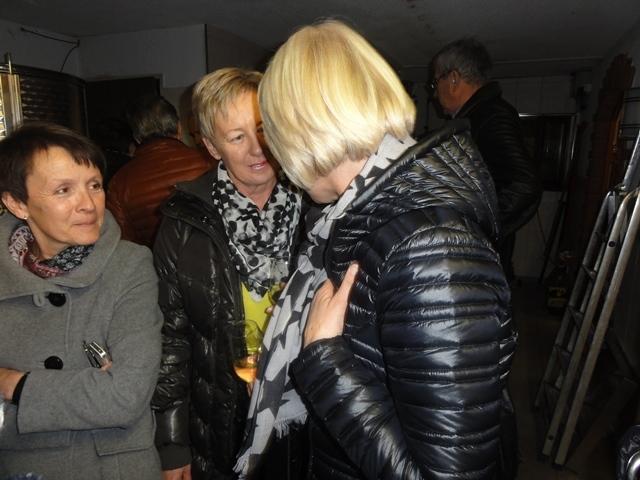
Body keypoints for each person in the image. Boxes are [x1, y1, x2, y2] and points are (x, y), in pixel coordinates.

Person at [236, 20, 517, 480]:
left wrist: (322, 358)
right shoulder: (351, 218)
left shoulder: (429, 250)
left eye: (271, 131)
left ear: (301, 130)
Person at [151, 67, 304, 480]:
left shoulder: (317, 205)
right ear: (212, 146)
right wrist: (172, 444)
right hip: (221, 422)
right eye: (237, 137)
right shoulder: (183, 222)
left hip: (308, 414)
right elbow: (170, 339)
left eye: (263, 130)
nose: (258, 149)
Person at [0, 122, 162, 480]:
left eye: (95, 185)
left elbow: (126, 395)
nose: (88, 204)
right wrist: (88, 390)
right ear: (17, 203)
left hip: (115, 469)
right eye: (64, 190)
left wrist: (14, 384)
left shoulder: (129, 265)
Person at [429, 38, 542, 280]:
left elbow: (524, 185)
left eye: (435, 82)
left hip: (479, 257)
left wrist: (472, 227)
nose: (435, 93)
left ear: (454, 79)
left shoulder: (491, 116)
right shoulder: (477, 116)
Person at [106, 95, 212, 247]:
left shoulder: (119, 182)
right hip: (211, 256)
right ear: (179, 128)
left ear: (137, 138)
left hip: (155, 260)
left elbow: (124, 242)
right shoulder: (208, 162)